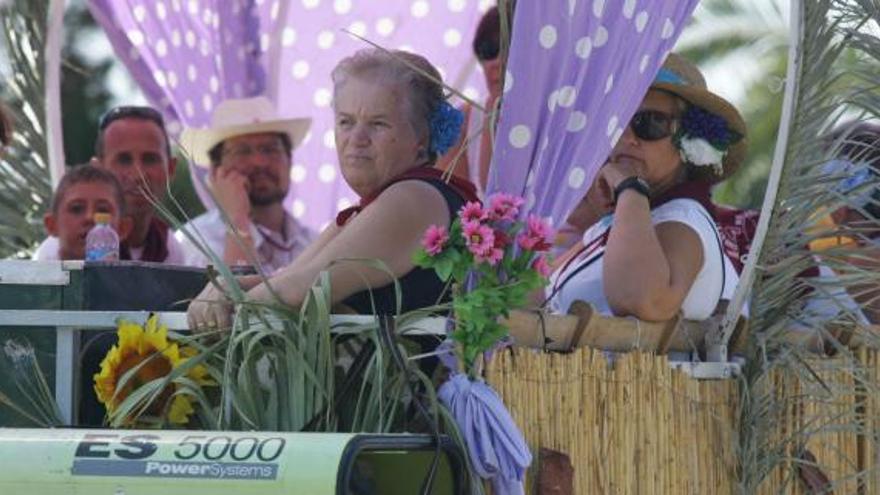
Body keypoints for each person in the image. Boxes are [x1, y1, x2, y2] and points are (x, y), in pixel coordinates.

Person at [187, 48, 479, 330]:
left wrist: (221, 308)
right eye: (345, 122)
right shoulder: (376, 204)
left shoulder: (413, 197)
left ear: (421, 138)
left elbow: (298, 290)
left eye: (378, 124)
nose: (357, 138)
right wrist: (225, 287)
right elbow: (287, 277)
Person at [545, 53, 745, 323]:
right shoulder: (618, 223)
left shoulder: (685, 219)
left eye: (649, 124)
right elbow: (536, 292)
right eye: (615, 124)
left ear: (688, 140)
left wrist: (630, 186)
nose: (627, 138)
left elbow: (641, 300)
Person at [176, 97, 316, 275]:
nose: (259, 162)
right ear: (215, 171)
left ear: (289, 161)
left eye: (270, 149)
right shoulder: (196, 241)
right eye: (242, 151)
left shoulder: (314, 243)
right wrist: (237, 218)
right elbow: (232, 300)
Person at [33, 106, 186, 263]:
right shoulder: (55, 256)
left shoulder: (169, 248)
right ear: (99, 170)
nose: (137, 174)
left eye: (150, 159)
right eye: (124, 160)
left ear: (170, 169)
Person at [437, 5, 507, 197]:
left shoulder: (572, 115)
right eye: (487, 50)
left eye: (508, 45)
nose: (495, 63)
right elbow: (449, 211)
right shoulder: (463, 121)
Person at [39, 164, 132, 260]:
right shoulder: (39, 274)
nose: (90, 217)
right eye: (76, 209)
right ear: (52, 225)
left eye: (103, 210)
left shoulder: (140, 274)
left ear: (123, 228)